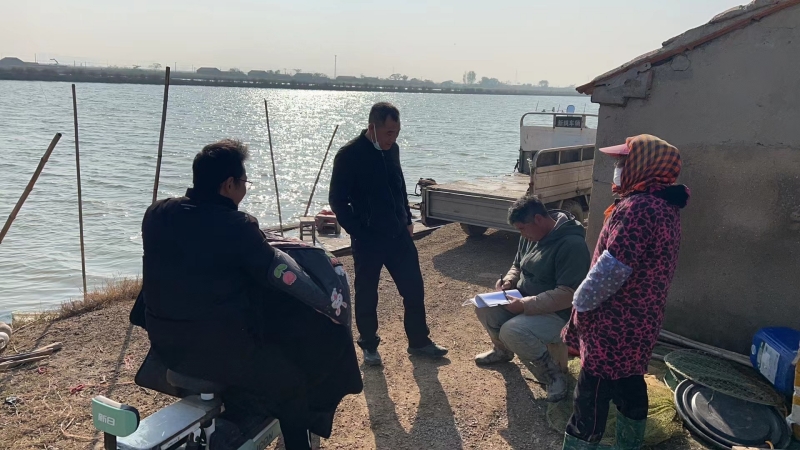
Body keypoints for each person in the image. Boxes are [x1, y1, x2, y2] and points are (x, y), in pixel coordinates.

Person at [138, 139, 363, 450]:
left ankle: (232, 423)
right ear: (229, 184)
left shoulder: (157, 214)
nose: (245, 188)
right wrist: (323, 300)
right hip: (221, 354)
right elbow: (280, 274)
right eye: (244, 182)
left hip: (165, 347)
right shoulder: (238, 226)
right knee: (293, 381)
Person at [561, 134, 689, 450]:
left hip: (614, 323)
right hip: (641, 320)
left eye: (623, 162)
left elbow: (613, 268)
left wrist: (580, 304)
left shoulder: (639, 207)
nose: (617, 169)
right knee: (630, 382)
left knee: (591, 395)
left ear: (644, 165)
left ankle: (580, 444)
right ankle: (629, 444)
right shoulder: (664, 204)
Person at [328, 102, 447, 366]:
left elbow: (399, 186)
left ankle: (419, 341)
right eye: (388, 132)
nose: (392, 138)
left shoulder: (393, 150)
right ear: (372, 128)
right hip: (368, 238)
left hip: (398, 234)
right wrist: (359, 232)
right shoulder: (349, 155)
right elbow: (337, 201)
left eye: (397, 132)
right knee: (367, 293)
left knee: (414, 288)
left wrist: (407, 219)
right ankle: (369, 345)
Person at [474, 195, 590, 402]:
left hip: (560, 314)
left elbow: (568, 294)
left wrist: (525, 305)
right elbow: (517, 265)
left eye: (522, 228)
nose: (522, 234)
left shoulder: (572, 244)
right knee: (483, 306)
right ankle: (502, 351)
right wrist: (508, 281)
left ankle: (553, 375)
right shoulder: (531, 235)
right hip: (524, 299)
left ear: (538, 219)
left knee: (512, 331)